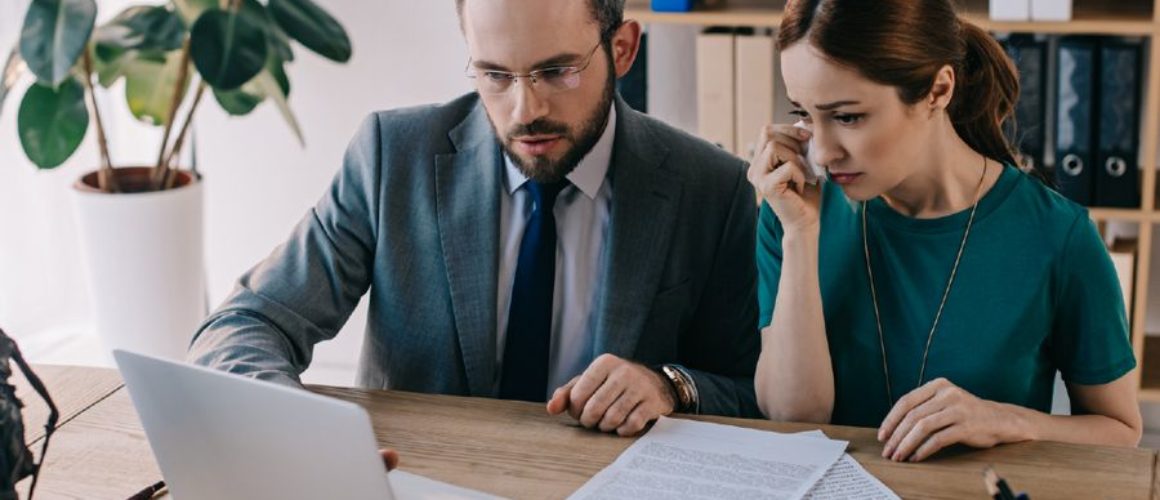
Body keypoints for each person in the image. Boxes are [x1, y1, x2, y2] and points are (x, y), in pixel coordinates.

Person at [188, 0, 762, 444]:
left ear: (623, 48)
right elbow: (244, 326)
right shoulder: (393, 157)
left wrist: (671, 386)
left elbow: (752, 394)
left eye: (556, 71)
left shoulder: (712, 188)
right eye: (495, 75)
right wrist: (299, 428)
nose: (524, 111)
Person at [750, 0, 1142, 463]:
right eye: (805, 115)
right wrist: (799, 233)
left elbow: (1120, 432)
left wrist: (1006, 420)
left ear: (938, 90)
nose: (824, 152)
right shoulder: (792, 211)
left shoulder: (1058, 236)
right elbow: (793, 417)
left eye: (847, 117)